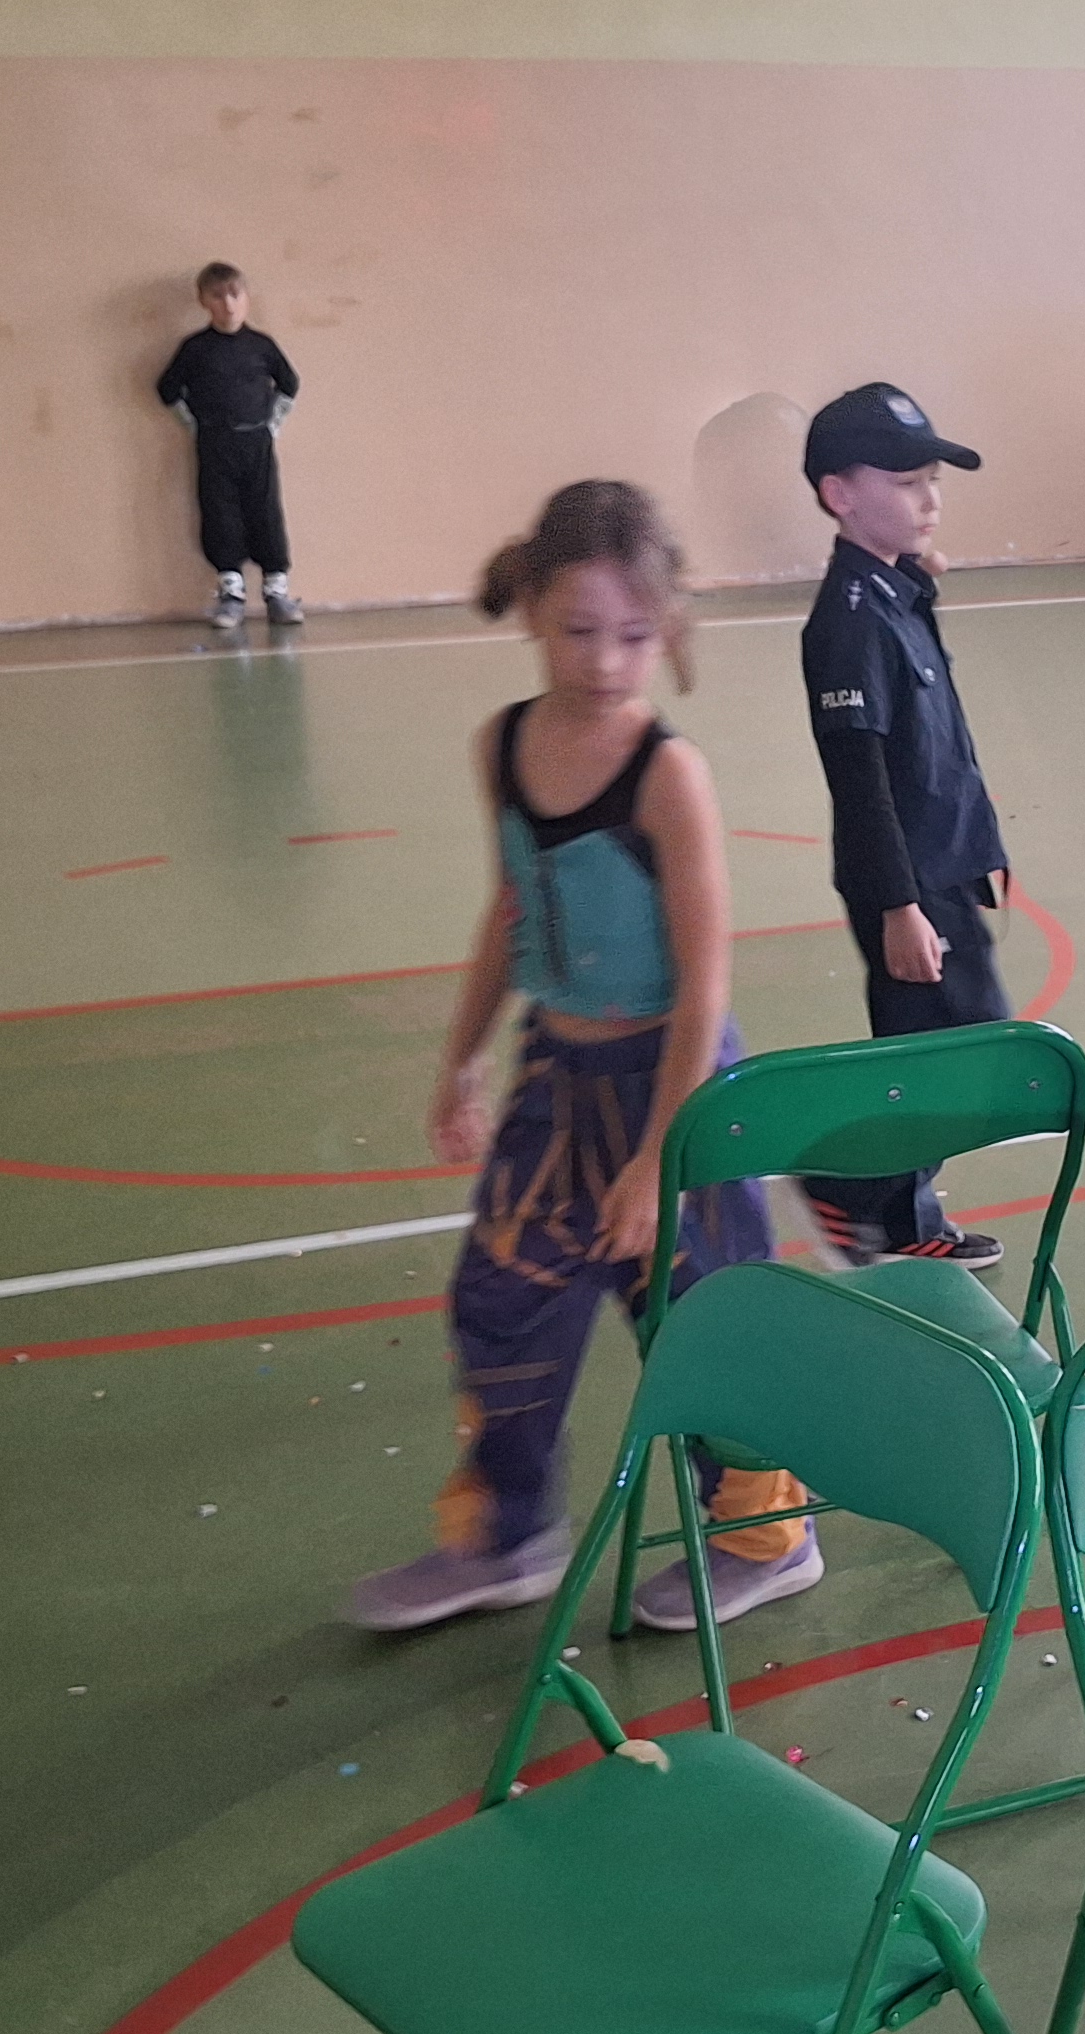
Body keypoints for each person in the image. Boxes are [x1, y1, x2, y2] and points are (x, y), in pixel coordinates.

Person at [349, 483, 820, 1635]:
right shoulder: (504, 747)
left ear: (666, 628)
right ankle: (507, 1536)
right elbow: (512, 911)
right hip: (555, 1082)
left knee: (706, 1320)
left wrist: (658, 1159)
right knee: (501, 1296)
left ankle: (767, 1538)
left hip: (680, 1090)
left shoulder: (668, 775)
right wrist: (462, 1060)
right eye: (578, 631)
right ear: (531, 615)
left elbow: (705, 982)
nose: (606, 662)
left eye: (633, 635)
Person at [794, 381, 1013, 1268]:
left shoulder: (890, 592)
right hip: (909, 883)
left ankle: (897, 1214)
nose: (930, 500)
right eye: (907, 482)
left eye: (934, 481)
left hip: (943, 863)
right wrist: (898, 905)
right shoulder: (848, 624)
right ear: (839, 494)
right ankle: (851, 1192)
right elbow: (861, 779)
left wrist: (916, 579)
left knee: (936, 1054)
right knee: (954, 1057)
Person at [156, 261, 303, 631]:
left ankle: (276, 591)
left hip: (257, 442)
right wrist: (192, 425)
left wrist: (273, 425)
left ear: (246, 298)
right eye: (218, 296)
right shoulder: (195, 349)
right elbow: (167, 389)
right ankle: (231, 593)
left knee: (265, 511)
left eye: (235, 295)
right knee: (220, 513)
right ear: (203, 301)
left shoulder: (262, 346)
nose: (228, 304)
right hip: (215, 443)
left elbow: (289, 384)